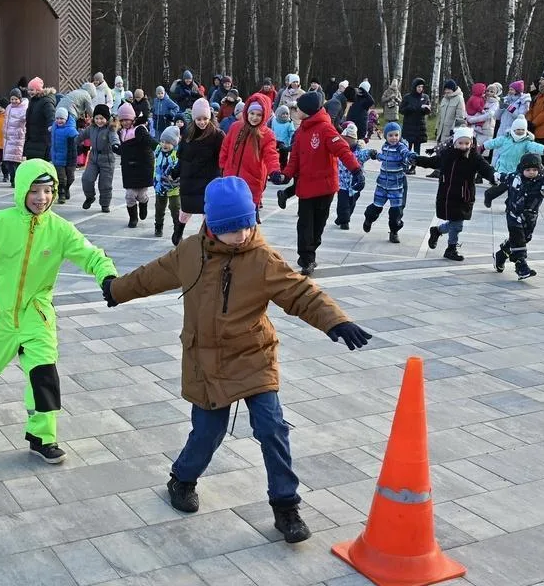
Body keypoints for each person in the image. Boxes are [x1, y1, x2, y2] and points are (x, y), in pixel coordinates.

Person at [103, 176, 372, 542]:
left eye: (248, 224)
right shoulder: (190, 252)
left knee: (271, 427)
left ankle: (286, 505)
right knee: (208, 432)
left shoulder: (262, 258)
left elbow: (300, 292)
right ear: (213, 226)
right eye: (232, 229)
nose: (242, 234)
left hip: (253, 357)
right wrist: (116, 290)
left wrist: (335, 320)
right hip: (206, 362)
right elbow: (151, 275)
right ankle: (182, 480)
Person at [0, 159, 118, 464]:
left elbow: (91, 255)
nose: (42, 197)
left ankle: (43, 438)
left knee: (44, 375)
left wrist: (108, 278)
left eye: (48, 190)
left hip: (36, 315)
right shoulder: (0, 221)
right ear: (22, 190)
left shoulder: (61, 230)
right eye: (34, 191)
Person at [274, 91, 362, 275]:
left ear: (308, 111)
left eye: (298, 109)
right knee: (305, 224)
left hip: (325, 187)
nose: (295, 111)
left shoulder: (326, 129)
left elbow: (343, 150)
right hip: (306, 187)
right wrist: (286, 176)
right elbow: (294, 159)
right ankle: (307, 258)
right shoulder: (301, 131)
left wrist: (356, 170)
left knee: (318, 224)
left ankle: (310, 250)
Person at [417, 127, 495, 261]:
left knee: (456, 223)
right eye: (460, 143)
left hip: (464, 196)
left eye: (467, 143)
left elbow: (485, 169)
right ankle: (451, 248)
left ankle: (438, 231)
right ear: (454, 143)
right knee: (457, 224)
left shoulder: (474, 157)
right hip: (447, 195)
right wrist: (415, 159)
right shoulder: (447, 155)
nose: (463, 146)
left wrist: (494, 176)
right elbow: (431, 162)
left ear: (471, 143)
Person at [491, 152, 544, 279]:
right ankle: (521, 267)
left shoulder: (542, 182)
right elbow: (498, 177)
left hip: (530, 216)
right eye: (528, 170)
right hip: (513, 214)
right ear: (522, 169)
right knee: (518, 240)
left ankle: (501, 254)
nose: (532, 172)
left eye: (535, 169)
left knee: (525, 238)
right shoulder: (514, 178)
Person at [174, 100, 225, 245]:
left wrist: (224, 175)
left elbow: (223, 157)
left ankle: (206, 237)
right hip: (189, 178)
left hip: (209, 178)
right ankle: (178, 231)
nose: (202, 122)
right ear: (194, 119)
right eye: (199, 119)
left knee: (207, 211)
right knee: (186, 210)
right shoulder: (188, 133)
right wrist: (176, 171)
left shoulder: (218, 135)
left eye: (205, 119)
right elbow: (181, 156)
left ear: (210, 118)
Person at [219, 100, 279, 214]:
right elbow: (225, 147)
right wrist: (222, 166)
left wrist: (274, 171)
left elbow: (271, 155)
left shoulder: (267, 134)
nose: (254, 118)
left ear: (264, 115)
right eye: (252, 113)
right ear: (247, 113)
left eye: (259, 115)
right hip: (230, 178)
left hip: (252, 182)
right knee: (230, 215)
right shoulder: (236, 127)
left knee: (248, 219)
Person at [362, 122, 417, 241]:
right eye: (391, 135)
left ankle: (394, 231)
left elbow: (406, 153)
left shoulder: (401, 147)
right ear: (386, 136)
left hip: (396, 186)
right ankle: (368, 219)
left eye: (396, 135)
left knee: (396, 211)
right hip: (382, 184)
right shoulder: (385, 147)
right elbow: (383, 157)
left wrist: (412, 157)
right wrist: (375, 155)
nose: (394, 138)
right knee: (376, 207)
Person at [482, 117, 544, 208]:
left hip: (517, 169)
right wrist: (483, 147)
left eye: (522, 130)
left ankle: (509, 205)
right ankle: (489, 194)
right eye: (518, 129)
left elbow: (536, 147)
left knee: (516, 188)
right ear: (513, 129)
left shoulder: (527, 142)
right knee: (504, 186)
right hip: (503, 168)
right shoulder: (505, 139)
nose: (520, 131)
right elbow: (493, 143)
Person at [116, 104, 156, 227]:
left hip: (143, 167)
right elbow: (124, 150)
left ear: (133, 119)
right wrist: (116, 149)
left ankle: (144, 203)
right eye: (122, 120)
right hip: (128, 168)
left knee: (141, 195)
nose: (124, 122)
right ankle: (133, 218)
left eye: (127, 119)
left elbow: (149, 141)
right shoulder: (121, 132)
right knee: (130, 195)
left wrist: (160, 148)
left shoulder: (139, 130)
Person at [79, 104, 119, 212]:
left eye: (102, 118)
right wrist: (73, 141)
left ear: (107, 118)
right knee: (87, 179)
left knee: (105, 184)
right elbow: (81, 136)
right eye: (96, 118)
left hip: (107, 159)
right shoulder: (91, 128)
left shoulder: (110, 129)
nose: (99, 121)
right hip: (93, 158)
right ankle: (90, 197)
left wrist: (116, 145)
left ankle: (105, 204)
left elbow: (114, 138)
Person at [333, 123, 372, 230]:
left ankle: (343, 217)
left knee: (352, 203)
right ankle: (344, 221)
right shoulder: (339, 150)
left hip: (355, 184)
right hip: (342, 183)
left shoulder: (358, 152)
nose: (347, 142)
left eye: (350, 140)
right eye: (345, 139)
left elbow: (365, 153)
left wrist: (372, 153)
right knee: (342, 203)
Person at [153, 126, 182, 238]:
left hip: (174, 186)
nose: (164, 145)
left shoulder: (177, 154)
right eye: (162, 142)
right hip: (160, 185)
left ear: (174, 143)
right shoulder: (158, 151)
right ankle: (158, 226)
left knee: (175, 208)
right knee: (159, 207)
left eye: (168, 142)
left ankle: (177, 230)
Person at [399, 78, 431, 171]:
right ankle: (405, 164)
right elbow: (402, 110)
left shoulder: (425, 97)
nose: (420, 89)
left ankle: (414, 166)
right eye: (418, 86)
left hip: (419, 126)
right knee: (407, 147)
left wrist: (426, 109)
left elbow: (428, 110)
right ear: (414, 87)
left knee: (417, 148)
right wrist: (412, 108)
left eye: (422, 87)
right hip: (409, 125)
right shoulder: (407, 97)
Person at [50, 107, 79, 204]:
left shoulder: (70, 129)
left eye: (61, 119)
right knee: (61, 178)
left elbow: (78, 137)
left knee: (71, 177)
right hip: (57, 158)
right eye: (57, 118)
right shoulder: (54, 127)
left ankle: (67, 188)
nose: (59, 121)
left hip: (69, 158)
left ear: (66, 119)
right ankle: (61, 193)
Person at [24, 77, 56, 160]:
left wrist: (51, 126)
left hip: (42, 139)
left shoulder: (46, 101)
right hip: (32, 138)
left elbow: (51, 115)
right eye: (29, 90)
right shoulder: (33, 100)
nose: (29, 92)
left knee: (40, 163)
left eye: (32, 90)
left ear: (38, 90)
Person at [1, 89, 28, 185]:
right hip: (8, 139)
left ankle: (16, 180)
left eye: (16, 99)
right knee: (9, 162)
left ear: (20, 99)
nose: (13, 101)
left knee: (16, 162)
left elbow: (25, 121)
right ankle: (13, 179)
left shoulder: (24, 108)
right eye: (12, 99)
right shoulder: (9, 107)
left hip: (18, 138)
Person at [434, 79, 466, 147]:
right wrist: (437, 127)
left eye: (449, 89)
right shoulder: (444, 99)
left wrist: (453, 130)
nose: (447, 91)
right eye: (446, 89)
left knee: (447, 155)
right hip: (440, 133)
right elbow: (440, 115)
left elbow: (460, 117)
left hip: (450, 133)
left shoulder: (459, 99)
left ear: (453, 89)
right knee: (439, 154)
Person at [465, 82, 492, 150]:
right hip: (473, 114)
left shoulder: (479, 97)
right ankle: (478, 126)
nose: (486, 92)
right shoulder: (475, 98)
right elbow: (477, 106)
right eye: (485, 91)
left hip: (485, 128)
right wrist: (482, 111)